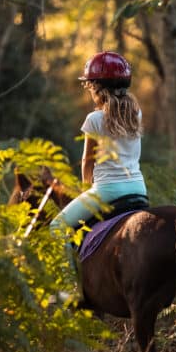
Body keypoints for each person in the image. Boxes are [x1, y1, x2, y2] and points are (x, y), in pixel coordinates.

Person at [50, 51, 148, 233]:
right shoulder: (136, 113)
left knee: (56, 227)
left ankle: (71, 262)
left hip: (107, 191)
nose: (88, 89)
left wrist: (85, 190)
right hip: (138, 188)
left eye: (89, 84)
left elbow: (88, 160)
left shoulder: (94, 119)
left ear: (97, 86)